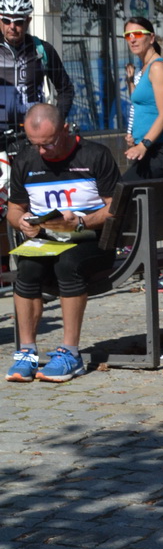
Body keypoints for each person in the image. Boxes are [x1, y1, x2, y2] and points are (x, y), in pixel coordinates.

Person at [4, 104, 119, 383]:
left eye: (49, 144)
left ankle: (70, 353)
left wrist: (80, 222)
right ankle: (27, 353)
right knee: (27, 267)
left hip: (91, 240)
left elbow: (115, 208)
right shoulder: (26, 160)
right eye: (36, 145)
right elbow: (13, 209)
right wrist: (21, 222)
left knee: (68, 264)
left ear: (65, 130)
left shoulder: (95, 155)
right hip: (47, 240)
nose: (43, 152)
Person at [123, 17, 163, 293]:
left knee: (125, 193)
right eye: (128, 36)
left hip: (160, 149)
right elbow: (143, 107)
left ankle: (161, 266)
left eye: (138, 34)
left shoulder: (158, 68)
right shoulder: (144, 68)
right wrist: (134, 136)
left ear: (151, 37)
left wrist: (143, 144)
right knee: (158, 206)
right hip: (150, 148)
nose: (133, 39)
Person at [0, 0, 74, 120]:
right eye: (6, 20)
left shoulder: (42, 49)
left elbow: (65, 89)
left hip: (33, 134)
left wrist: (56, 121)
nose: (12, 27)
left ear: (28, 21)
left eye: (18, 21)